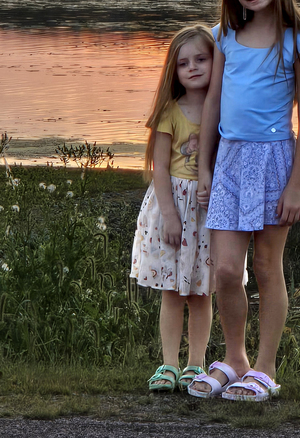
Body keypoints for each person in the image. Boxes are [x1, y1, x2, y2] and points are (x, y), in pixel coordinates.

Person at [188, 0, 300, 403]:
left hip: (274, 164)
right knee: (226, 270)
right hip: (228, 162)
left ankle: (264, 368)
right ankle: (234, 360)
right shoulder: (224, 35)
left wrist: (294, 187)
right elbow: (211, 106)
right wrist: (204, 167)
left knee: (266, 266)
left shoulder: (298, 44)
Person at [130, 24, 217, 392]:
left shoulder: (223, 108)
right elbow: (160, 168)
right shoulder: (170, 111)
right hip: (174, 209)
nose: (193, 67)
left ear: (216, 61)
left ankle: (195, 365)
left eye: (201, 59)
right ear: (174, 70)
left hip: (209, 210)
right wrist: (169, 214)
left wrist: (211, 187)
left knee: (201, 291)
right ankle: (168, 364)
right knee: (171, 291)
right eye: (184, 63)